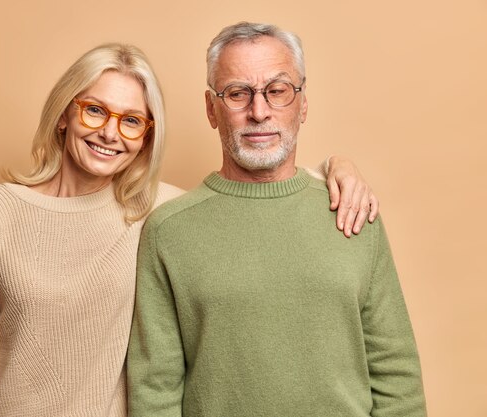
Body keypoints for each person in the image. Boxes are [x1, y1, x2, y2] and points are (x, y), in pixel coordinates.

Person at [0, 42, 379, 416]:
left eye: (132, 121)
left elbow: (255, 197)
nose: (110, 133)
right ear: (64, 114)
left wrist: (336, 168)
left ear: (146, 137)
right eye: (95, 111)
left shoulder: (160, 213)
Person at [127, 22, 427, 417]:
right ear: (211, 108)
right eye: (237, 93)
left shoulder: (353, 211)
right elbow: (155, 390)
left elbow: (396, 375)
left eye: (277, 90)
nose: (259, 111)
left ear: (302, 103)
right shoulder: (169, 231)